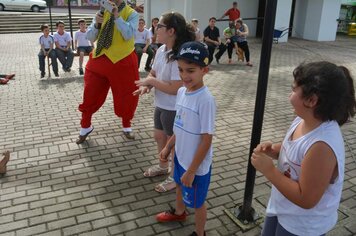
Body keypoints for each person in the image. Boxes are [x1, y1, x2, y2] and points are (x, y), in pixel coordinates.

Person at [251, 61, 356, 236]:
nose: (289, 94)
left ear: (311, 100)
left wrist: (269, 170)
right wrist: (273, 150)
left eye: (293, 90)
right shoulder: (303, 120)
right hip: (283, 209)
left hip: (303, 225)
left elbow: (306, 198)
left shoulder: (322, 146)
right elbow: (292, 149)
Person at [155, 41, 216, 236]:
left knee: (198, 203)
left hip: (196, 167)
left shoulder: (206, 100)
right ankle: (180, 212)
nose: (184, 76)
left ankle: (200, 233)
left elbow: (207, 140)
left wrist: (191, 171)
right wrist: (168, 147)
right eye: (180, 70)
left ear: (204, 70)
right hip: (180, 157)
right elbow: (178, 127)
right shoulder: (181, 92)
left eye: (190, 70)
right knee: (179, 185)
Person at [133, 12, 196, 193]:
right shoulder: (161, 50)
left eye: (159, 26)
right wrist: (147, 85)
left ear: (171, 31)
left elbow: (177, 87)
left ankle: (174, 176)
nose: (155, 28)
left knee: (173, 143)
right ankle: (162, 166)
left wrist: (151, 83)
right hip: (160, 105)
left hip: (174, 108)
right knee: (159, 137)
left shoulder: (180, 55)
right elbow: (153, 73)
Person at [76, 0, 139, 144]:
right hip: (99, 58)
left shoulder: (132, 13)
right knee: (90, 93)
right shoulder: (101, 12)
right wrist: (97, 24)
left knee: (127, 94)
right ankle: (85, 126)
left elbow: (128, 34)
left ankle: (126, 125)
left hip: (123, 60)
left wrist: (117, 16)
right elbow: (91, 37)